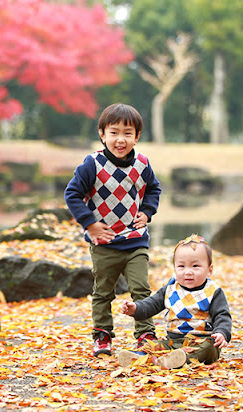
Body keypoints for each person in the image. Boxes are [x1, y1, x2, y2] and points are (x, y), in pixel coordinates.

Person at [64, 103, 162, 357]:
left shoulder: (142, 163)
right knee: (104, 291)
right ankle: (102, 335)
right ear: (102, 134)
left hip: (135, 240)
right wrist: (90, 223)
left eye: (128, 133)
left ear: (137, 136)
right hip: (104, 242)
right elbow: (72, 193)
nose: (120, 139)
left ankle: (145, 334)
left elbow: (153, 189)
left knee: (141, 287)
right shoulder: (92, 164)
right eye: (114, 132)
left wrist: (148, 211)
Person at [117, 234, 232, 369]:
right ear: (175, 268)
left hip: (201, 341)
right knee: (154, 345)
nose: (188, 272)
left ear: (209, 270)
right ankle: (141, 356)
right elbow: (151, 304)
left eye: (195, 266)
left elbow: (222, 316)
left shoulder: (213, 292)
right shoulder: (170, 289)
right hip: (173, 341)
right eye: (181, 266)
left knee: (207, 349)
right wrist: (135, 308)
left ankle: (179, 359)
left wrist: (221, 333)